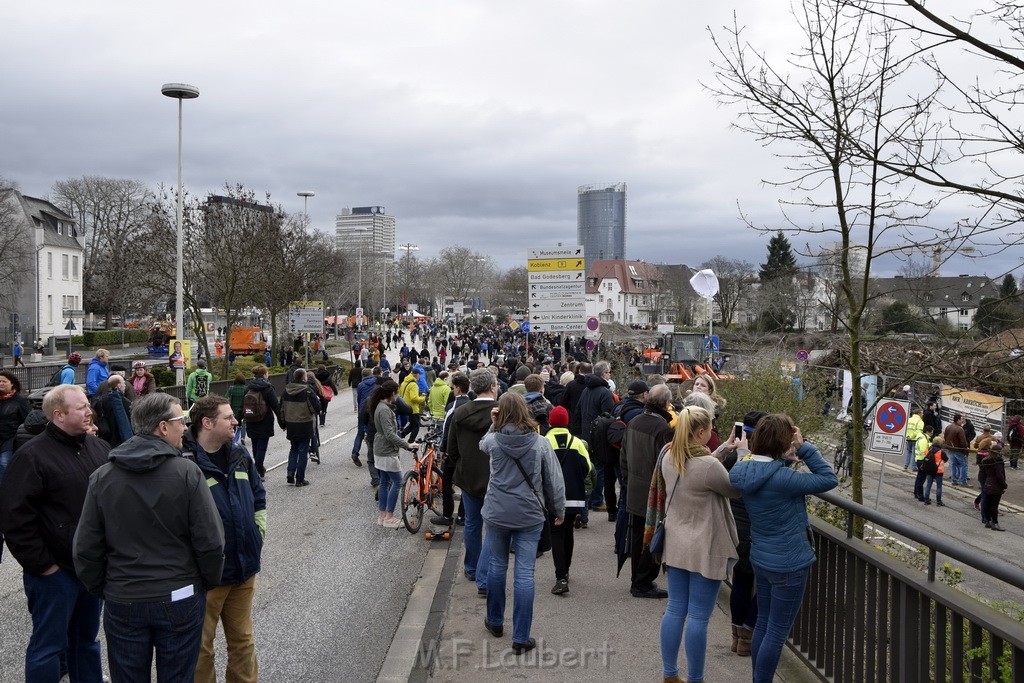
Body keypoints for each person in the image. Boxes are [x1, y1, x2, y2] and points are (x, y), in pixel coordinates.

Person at [72, 393, 225, 682]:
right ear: (163, 427)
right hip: (179, 594)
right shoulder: (187, 473)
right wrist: (204, 582)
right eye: (181, 421)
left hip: (124, 597)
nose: (185, 427)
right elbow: (211, 542)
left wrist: (106, 587)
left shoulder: (103, 476)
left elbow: (85, 548)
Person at [0, 384, 111, 682]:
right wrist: (42, 566)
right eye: (82, 407)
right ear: (59, 415)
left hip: (90, 569)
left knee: (87, 643)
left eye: (88, 404)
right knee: (48, 647)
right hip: (54, 574)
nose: (90, 411)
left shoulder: (99, 448)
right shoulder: (32, 456)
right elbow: (14, 517)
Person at [728, 414, 838, 683]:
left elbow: (764, 467)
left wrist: (785, 457)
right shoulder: (784, 479)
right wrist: (804, 448)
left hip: (761, 558)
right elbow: (828, 478)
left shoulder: (742, 469)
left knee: (764, 623)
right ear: (782, 441)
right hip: (789, 563)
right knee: (777, 632)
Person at [185, 396, 266, 683]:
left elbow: (258, 494)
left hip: (244, 568)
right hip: (206, 577)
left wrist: (258, 532)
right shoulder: (185, 462)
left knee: (243, 640)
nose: (235, 421)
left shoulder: (239, 454)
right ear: (207, 423)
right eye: (228, 417)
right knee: (200, 649)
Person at [656, 406, 740, 683]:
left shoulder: (669, 456)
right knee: (699, 618)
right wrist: (744, 454)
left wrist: (721, 450)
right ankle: (696, 678)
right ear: (701, 432)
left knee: (675, 608)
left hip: (676, 541)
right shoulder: (708, 466)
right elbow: (734, 489)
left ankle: (670, 673)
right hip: (706, 546)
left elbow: (700, 469)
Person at [480, 392, 565, 655]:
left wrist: (493, 423)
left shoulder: (493, 441)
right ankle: (520, 637)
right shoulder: (540, 443)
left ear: (500, 413)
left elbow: (481, 444)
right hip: (529, 515)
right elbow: (553, 480)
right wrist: (558, 509)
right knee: (525, 573)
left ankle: (495, 621)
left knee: (496, 565)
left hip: (496, 512)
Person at [620, 383, 674, 598]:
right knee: (651, 537)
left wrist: (626, 481)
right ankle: (642, 582)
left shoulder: (634, 422)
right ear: (666, 403)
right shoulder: (662, 429)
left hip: (634, 487)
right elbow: (665, 464)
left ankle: (638, 580)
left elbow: (623, 456)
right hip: (652, 493)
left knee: (637, 536)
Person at [448, 368, 500, 592]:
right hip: (497, 477)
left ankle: (470, 567)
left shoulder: (460, 412)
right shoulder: (501, 413)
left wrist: (462, 462)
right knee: (493, 527)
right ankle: (485, 571)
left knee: (471, 523)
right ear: (492, 387)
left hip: (468, 475)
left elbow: (451, 449)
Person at [544, 405, 593, 595]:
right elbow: (587, 467)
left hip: (552, 498)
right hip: (573, 497)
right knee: (568, 532)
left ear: (550, 421)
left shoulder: (545, 441)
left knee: (555, 533)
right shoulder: (577, 442)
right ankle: (567, 569)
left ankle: (560, 575)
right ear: (567, 422)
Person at [370, 379, 417, 528]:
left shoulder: (380, 406)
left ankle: (382, 515)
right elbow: (390, 434)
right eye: (396, 394)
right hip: (387, 451)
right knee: (397, 482)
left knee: (385, 482)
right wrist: (407, 445)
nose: (397, 397)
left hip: (380, 449)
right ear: (392, 393)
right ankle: (389, 516)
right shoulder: (385, 410)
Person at [432, 372, 471, 527]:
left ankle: (447, 515)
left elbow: (447, 430)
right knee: (466, 485)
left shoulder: (452, 406)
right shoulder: (472, 403)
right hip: (468, 452)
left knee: (447, 483)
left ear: (458, 389)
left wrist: (442, 450)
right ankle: (462, 515)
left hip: (453, 452)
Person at [279, 368, 320, 487]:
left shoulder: (285, 392)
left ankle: (290, 473)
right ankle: (300, 479)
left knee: (293, 449)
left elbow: (281, 409)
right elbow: (316, 408)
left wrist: (283, 424)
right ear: (303, 378)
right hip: (305, 424)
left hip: (291, 425)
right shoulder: (308, 392)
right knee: (303, 451)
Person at [244, 364, 282, 479]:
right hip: (265, 421)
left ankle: (259, 468)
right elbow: (276, 406)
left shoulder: (248, 387)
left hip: (250, 420)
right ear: (265, 374)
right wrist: (282, 422)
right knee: (262, 447)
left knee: (255, 446)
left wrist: (238, 418)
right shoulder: (268, 388)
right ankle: (257, 470)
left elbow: (243, 405)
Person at [0, 370, 32, 482]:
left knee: (4, 463)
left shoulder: (20, 400)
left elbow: (28, 420)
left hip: (10, 439)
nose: (1, 384)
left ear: (12, 383)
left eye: (4, 381)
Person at [92, 374, 134, 448]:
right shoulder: (125, 402)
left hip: (105, 438)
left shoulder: (99, 401)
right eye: (123, 383)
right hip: (120, 441)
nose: (125, 385)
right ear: (119, 385)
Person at [982, 444, 1008, 531]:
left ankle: (988, 521)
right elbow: (999, 476)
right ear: (998, 452)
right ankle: (995, 523)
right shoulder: (998, 462)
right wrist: (1004, 485)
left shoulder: (986, 461)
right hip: (995, 486)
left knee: (988, 504)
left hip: (987, 484)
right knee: (994, 506)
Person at [399, 366, 426, 441]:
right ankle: (411, 441)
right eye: (419, 374)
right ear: (416, 374)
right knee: (416, 426)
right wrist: (422, 398)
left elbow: (400, 393)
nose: (420, 376)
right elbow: (414, 398)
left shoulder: (404, 382)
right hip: (412, 408)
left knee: (412, 424)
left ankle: (401, 435)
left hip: (404, 405)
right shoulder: (414, 385)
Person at [943, 413, 970, 486]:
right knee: (963, 465)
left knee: (953, 465)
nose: (962, 421)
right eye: (961, 419)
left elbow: (945, 437)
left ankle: (953, 480)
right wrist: (965, 451)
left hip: (950, 449)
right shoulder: (960, 429)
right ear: (958, 420)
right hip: (958, 449)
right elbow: (963, 442)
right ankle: (963, 481)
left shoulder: (948, 427)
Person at [921, 435, 947, 506]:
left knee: (928, 485)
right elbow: (946, 459)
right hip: (939, 471)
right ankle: (938, 502)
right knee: (939, 486)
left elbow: (925, 454)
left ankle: (926, 500)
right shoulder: (941, 452)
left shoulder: (929, 449)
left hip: (929, 470)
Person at [227, 372, 248, 444]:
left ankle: (232, 437)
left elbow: (226, 397)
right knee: (243, 422)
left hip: (233, 409)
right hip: (243, 408)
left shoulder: (231, 388)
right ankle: (242, 437)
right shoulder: (246, 389)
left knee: (233, 423)